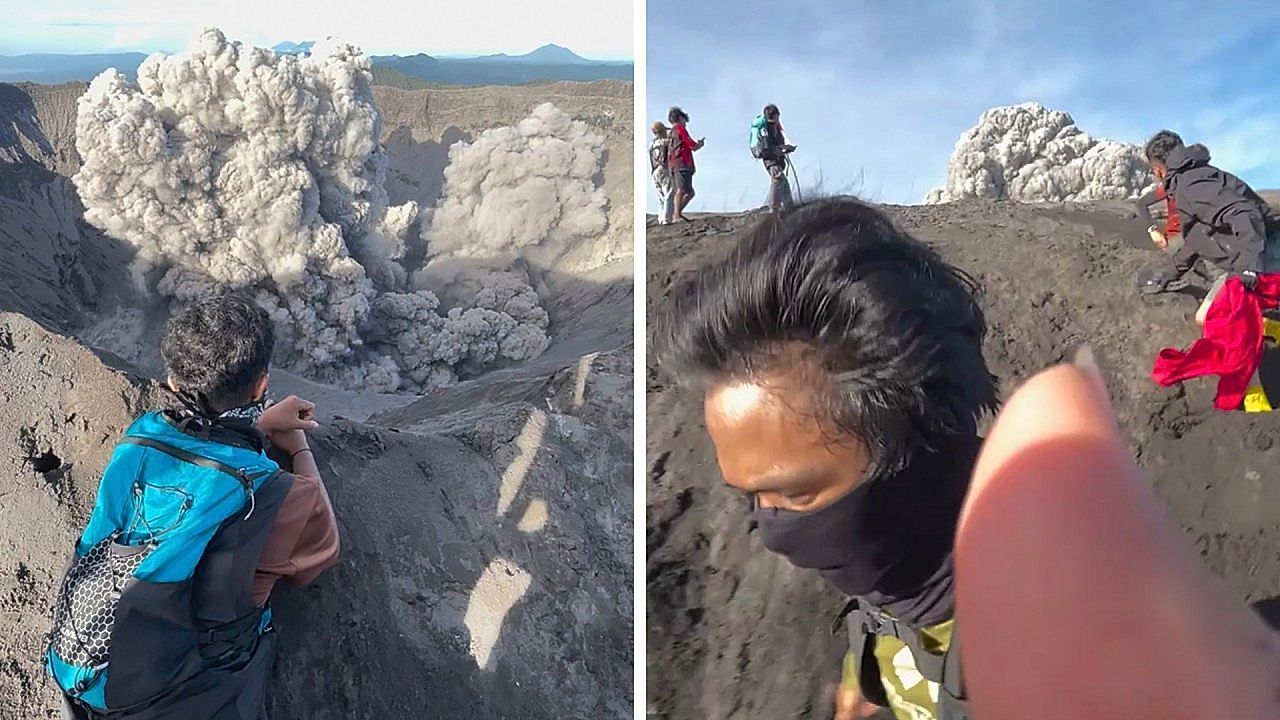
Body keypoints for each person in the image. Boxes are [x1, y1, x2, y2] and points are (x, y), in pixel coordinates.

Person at [656, 198, 999, 720]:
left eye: (797, 494)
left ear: (921, 447)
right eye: (755, 498)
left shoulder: (1052, 651)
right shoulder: (905, 570)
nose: (772, 533)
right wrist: (866, 680)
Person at [47, 295, 339, 720]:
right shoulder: (272, 492)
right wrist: (297, 446)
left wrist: (258, 425)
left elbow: (200, 448)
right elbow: (323, 549)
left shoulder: (140, 437)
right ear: (261, 386)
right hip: (182, 695)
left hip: (83, 662)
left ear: (172, 381)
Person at [1140, 131, 1277, 325]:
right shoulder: (1194, 178)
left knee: (1212, 318)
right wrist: (1167, 276)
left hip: (1266, 258)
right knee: (1205, 316)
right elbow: (1196, 239)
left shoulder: (1191, 184)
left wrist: (1249, 268)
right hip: (1251, 257)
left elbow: (1244, 213)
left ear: (1157, 169)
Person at [750, 104, 796, 214]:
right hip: (771, 160)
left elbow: (776, 144)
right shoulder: (766, 129)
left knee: (783, 182)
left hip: (774, 158)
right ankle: (774, 209)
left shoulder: (773, 127)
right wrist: (783, 150)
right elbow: (768, 148)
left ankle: (789, 207)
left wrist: (786, 148)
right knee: (778, 178)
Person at [667, 106, 705, 222]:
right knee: (682, 190)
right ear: (680, 118)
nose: (685, 123)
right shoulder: (680, 129)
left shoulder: (670, 133)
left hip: (673, 165)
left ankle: (676, 213)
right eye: (684, 119)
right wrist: (699, 144)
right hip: (681, 164)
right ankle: (676, 215)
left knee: (688, 192)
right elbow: (691, 145)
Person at [651, 121, 676, 225]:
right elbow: (672, 141)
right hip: (664, 169)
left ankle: (660, 218)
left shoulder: (652, 145)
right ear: (662, 132)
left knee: (661, 196)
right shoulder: (665, 142)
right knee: (669, 193)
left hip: (654, 171)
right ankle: (666, 219)